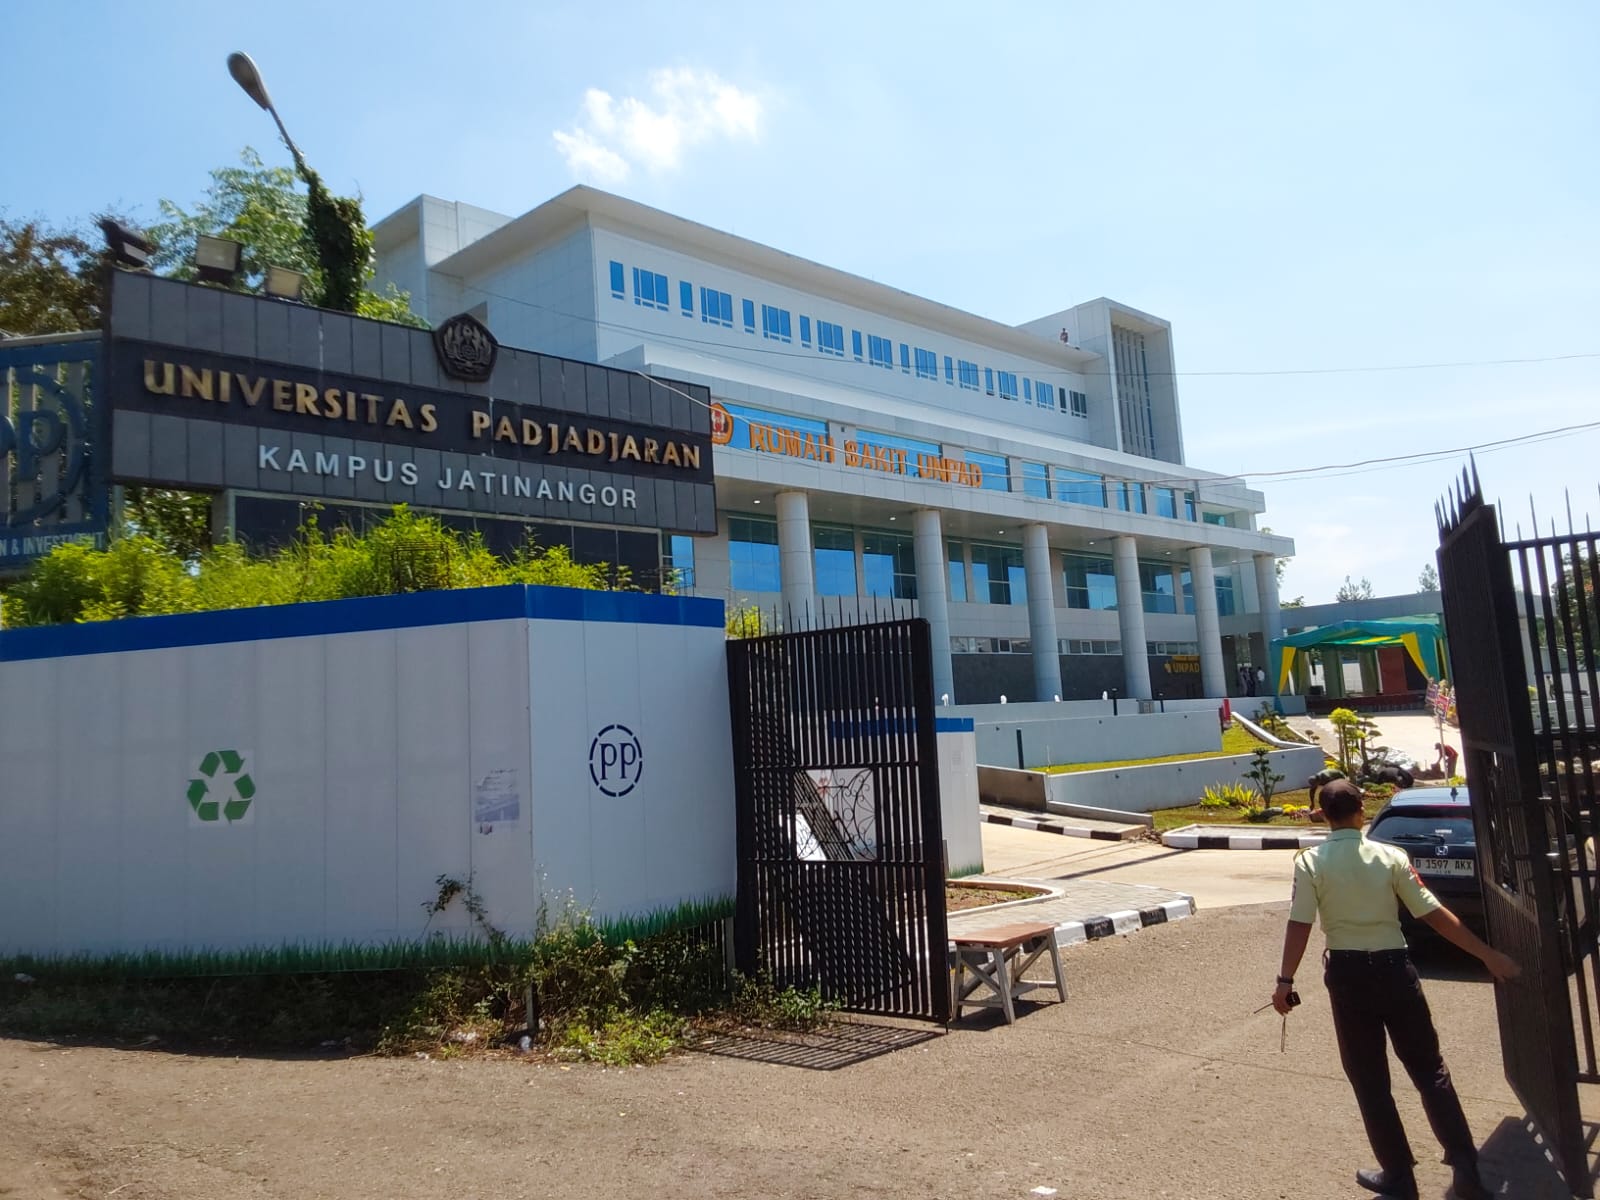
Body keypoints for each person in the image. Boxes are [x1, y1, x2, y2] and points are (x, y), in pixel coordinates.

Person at [1271, 779, 1520, 1200]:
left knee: (1370, 1081)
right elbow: (1433, 914)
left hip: (1349, 977)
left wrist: (1285, 981)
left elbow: (1300, 923)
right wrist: (1486, 955)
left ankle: (1399, 1177)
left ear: (1324, 816)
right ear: (1361, 812)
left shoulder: (1311, 862)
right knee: (1430, 1072)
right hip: (1395, 970)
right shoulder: (1391, 857)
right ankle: (1466, 1171)